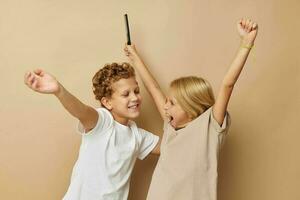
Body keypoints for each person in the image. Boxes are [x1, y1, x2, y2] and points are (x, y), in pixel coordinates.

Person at [124, 18, 258, 200]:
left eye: (171, 103)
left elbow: (228, 84)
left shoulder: (210, 127)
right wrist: (135, 58)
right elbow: (153, 88)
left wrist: (246, 43)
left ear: (190, 106)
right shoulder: (170, 127)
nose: (165, 106)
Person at [24, 62, 160, 200]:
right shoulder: (103, 122)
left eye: (136, 91)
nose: (135, 98)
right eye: (126, 94)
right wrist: (59, 91)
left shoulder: (137, 135)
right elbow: (82, 111)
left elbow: (172, 146)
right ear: (107, 102)